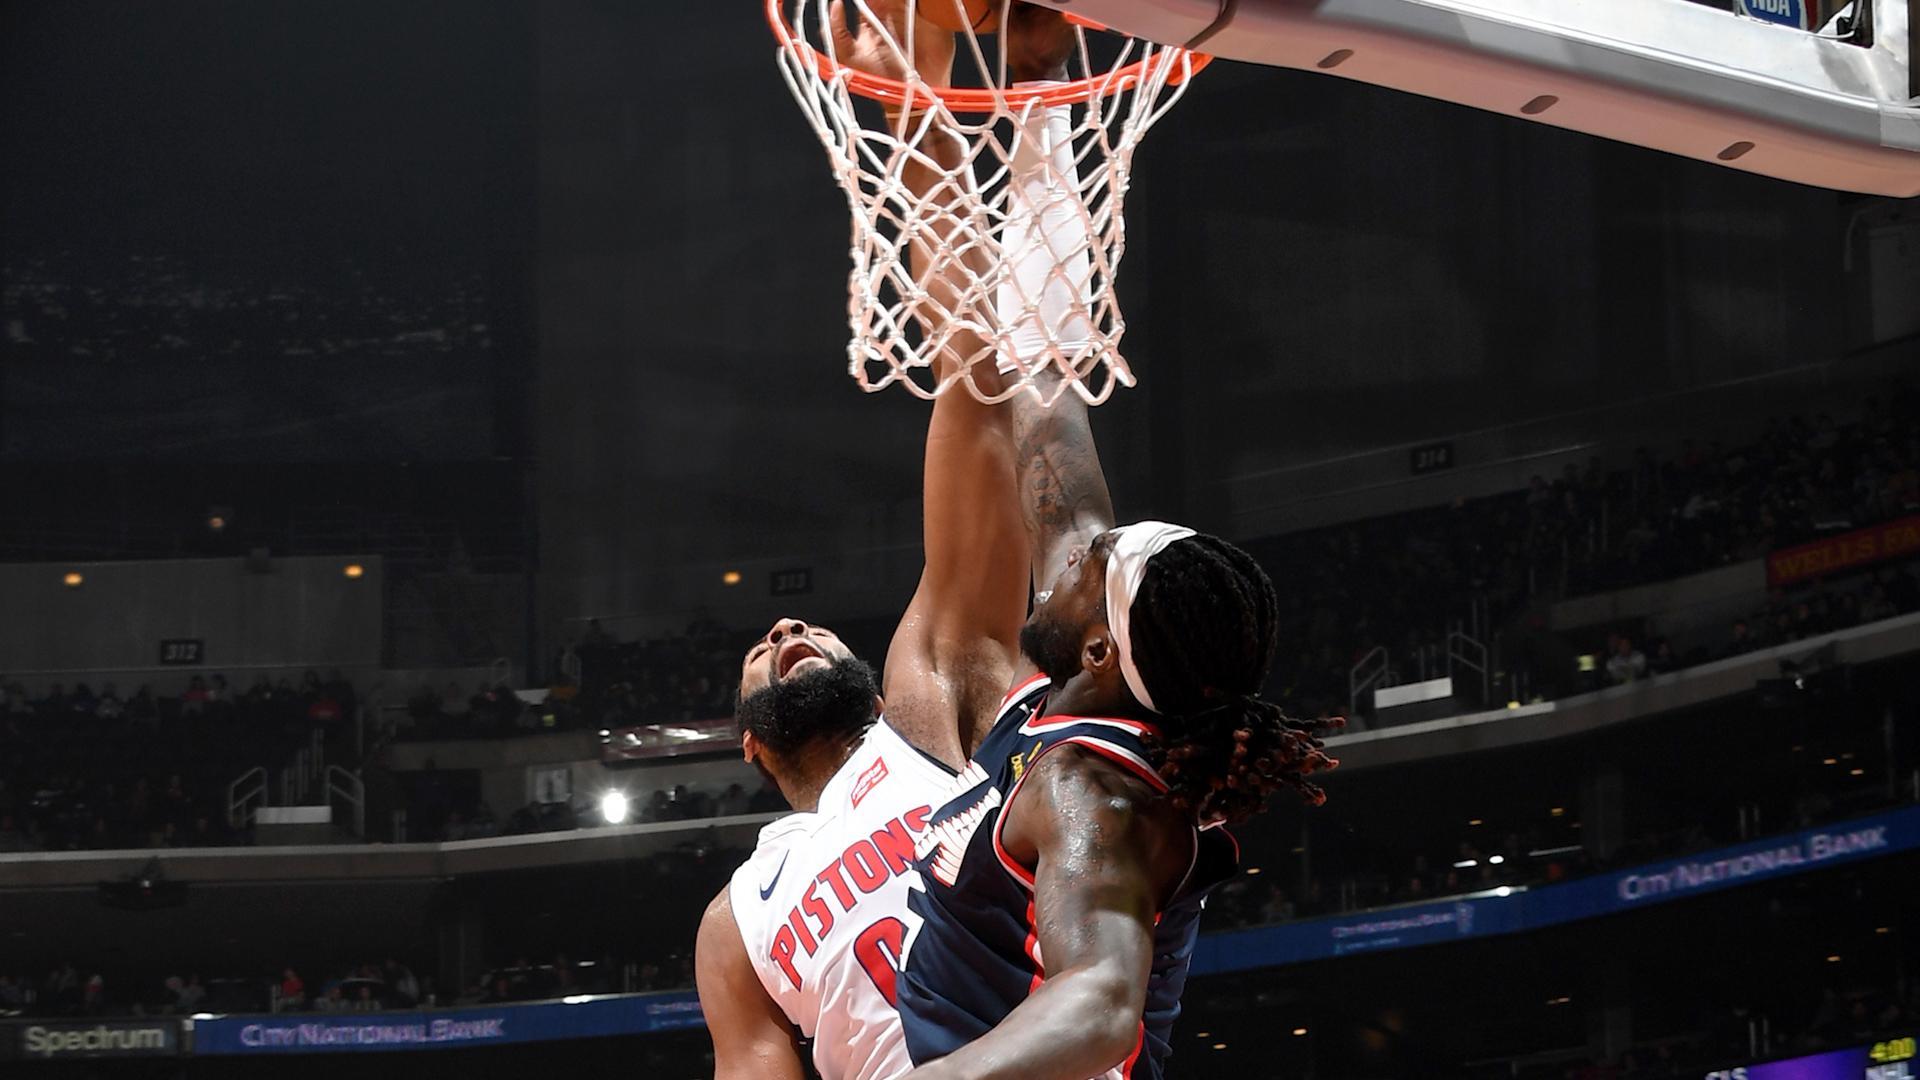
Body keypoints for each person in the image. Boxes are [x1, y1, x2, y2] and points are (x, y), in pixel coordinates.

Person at [694, 6, 1032, 1073]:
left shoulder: (927, 706)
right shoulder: (737, 921)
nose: (783, 629)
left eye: (801, 634)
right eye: (763, 651)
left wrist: (916, 105)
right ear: (751, 746)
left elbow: (977, 385)